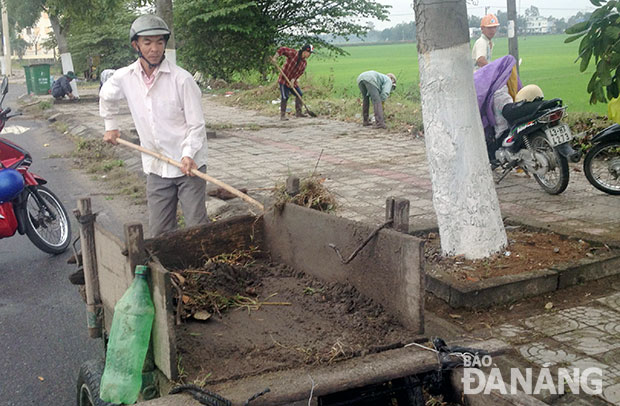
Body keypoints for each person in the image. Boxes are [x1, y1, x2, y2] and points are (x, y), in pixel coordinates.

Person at [99, 14, 209, 237]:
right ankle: (169, 269)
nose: (154, 48)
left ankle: (204, 267)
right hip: (156, 164)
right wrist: (111, 126)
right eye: (147, 42)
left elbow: (196, 125)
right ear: (136, 45)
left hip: (189, 164)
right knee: (160, 231)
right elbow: (107, 96)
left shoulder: (182, 79)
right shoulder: (124, 77)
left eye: (159, 42)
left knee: (197, 227)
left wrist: (188, 155)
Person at [272, 44, 313, 121]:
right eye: (309, 53)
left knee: (299, 94)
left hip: (292, 82)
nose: (309, 55)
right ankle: (282, 115)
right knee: (285, 97)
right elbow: (283, 49)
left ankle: (298, 112)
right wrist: (275, 57)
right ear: (304, 52)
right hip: (283, 80)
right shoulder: (293, 53)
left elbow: (299, 73)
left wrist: (293, 80)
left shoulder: (304, 63)